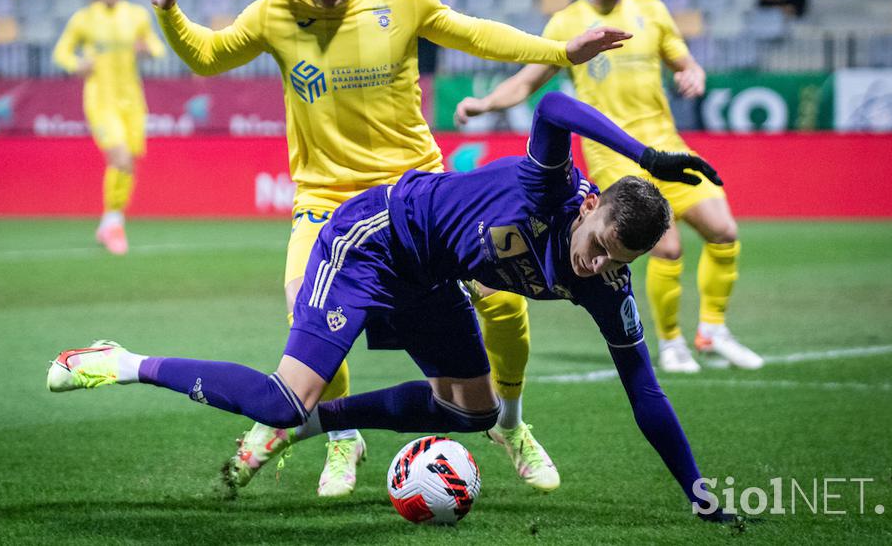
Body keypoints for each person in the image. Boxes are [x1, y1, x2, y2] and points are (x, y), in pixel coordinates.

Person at [47, 90, 732, 522]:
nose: (599, 265)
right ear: (589, 207)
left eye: (619, 262)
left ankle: (319, 427)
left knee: (473, 411)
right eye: (600, 244)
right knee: (282, 397)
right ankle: (123, 361)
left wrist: (695, 490)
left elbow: (643, 389)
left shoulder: (605, 288)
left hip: (430, 280)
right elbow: (553, 106)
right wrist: (645, 155)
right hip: (372, 240)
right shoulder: (551, 190)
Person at [148, 0, 628, 496]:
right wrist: (169, 12)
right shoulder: (274, 15)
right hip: (324, 201)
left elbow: (476, 35)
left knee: (504, 303)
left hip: (419, 199)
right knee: (306, 310)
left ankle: (510, 423)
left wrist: (559, 52)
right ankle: (341, 439)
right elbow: (208, 55)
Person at [454, 0, 763, 375]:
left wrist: (694, 72)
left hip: (667, 146)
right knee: (667, 246)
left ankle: (712, 331)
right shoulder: (566, 24)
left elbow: (683, 59)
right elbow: (526, 82)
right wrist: (484, 103)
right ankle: (672, 343)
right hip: (614, 156)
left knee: (724, 231)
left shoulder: (652, 12)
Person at [52, 0, 166, 255]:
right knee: (120, 156)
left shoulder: (136, 15)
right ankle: (113, 224)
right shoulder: (84, 19)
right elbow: (61, 52)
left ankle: (110, 221)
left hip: (133, 102)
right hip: (100, 101)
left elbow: (155, 45)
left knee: (128, 163)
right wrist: (77, 65)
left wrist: (148, 50)